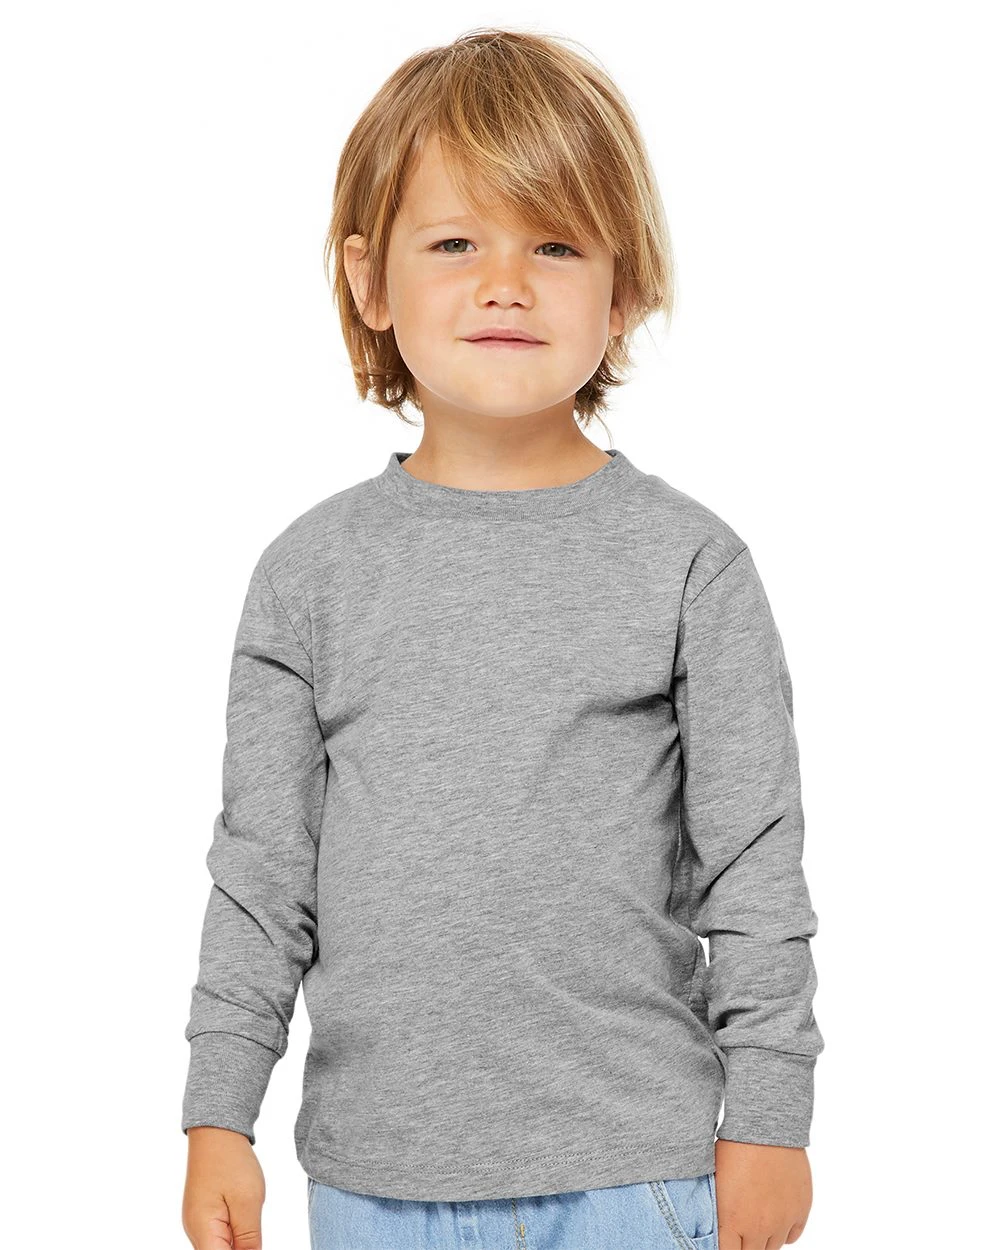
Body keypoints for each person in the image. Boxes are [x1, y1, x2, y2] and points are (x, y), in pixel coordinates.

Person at [180, 26, 824, 1250]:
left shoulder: (691, 565)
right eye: (455, 242)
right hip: (375, 1178)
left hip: (635, 1170)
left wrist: (771, 1116)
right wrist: (220, 1111)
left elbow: (752, 862)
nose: (505, 282)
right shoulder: (307, 575)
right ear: (371, 281)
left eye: (555, 244)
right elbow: (261, 871)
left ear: (622, 288)